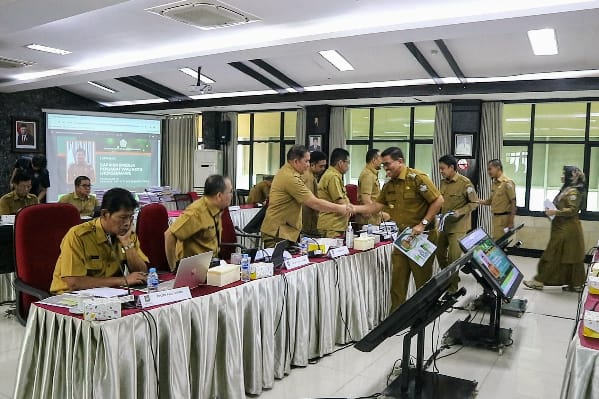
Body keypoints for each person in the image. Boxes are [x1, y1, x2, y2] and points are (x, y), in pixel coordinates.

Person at [353, 147, 443, 311]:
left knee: (422, 281)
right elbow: (374, 207)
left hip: (422, 237)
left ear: (400, 161)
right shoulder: (389, 185)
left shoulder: (417, 178)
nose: (385, 169)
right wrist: (352, 208)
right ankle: (396, 318)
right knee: (397, 280)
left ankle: (422, 315)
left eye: (388, 165)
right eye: (384, 165)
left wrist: (422, 223)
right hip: (403, 237)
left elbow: (438, 200)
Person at [50, 188, 148, 294]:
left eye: (130, 217)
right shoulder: (78, 235)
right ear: (105, 214)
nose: (127, 223)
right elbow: (74, 282)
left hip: (109, 294)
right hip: (70, 297)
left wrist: (127, 243)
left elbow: (141, 273)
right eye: (123, 217)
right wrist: (123, 280)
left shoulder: (126, 234)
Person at [260, 145, 352, 248]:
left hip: (284, 231)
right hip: (277, 233)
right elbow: (314, 202)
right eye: (306, 161)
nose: (308, 165)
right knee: (278, 263)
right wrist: (341, 208)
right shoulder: (290, 178)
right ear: (296, 161)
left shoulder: (289, 172)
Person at [523, 166, 587, 292]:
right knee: (569, 257)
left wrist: (555, 212)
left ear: (571, 176)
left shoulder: (573, 192)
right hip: (561, 227)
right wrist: (551, 211)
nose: (562, 176)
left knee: (553, 255)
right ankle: (575, 284)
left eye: (564, 174)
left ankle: (539, 281)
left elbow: (572, 210)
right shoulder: (567, 189)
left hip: (567, 230)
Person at [164, 175, 233, 271]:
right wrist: (174, 268)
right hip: (193, 269)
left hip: (212, 264)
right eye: (230, 192)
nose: (231, 195)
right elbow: (169, 235)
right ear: (219, 196)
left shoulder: (217, 209)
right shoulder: (196, 212)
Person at [436, 155, 479, 293]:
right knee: (439, 253)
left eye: (443, 169)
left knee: (454, 259)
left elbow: (474, 203)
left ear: (452, 168)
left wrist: (461, 211)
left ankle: (452, 288)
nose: (441, 171)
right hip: (444, 226)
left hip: (458, 228)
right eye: (440, 169)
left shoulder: (465, 183)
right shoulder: (443, 183)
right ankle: (449, 277)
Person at [478, 159, 516, 240]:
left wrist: (511, 221)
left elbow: (513, 202)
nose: (488, 172)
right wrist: (478, 201)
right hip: (496, 218)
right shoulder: (495, 183)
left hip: (504, 219)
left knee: (499, 244)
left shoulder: (507, 183)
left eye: (490, 169)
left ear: (498, 168)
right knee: (498, 243)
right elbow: (490, 201)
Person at [317, 148, 351, 238]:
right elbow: (339, 201)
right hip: (332, 226)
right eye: (347, 162)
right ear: (340, 163)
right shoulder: (333, 177)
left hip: (334, 225)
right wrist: (352, 209)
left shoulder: (333, 175)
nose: (348, 166)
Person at [356, 148, 390, 228]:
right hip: (368, 222)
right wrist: (380, 214)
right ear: (374, 160)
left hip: (373, 220)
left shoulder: (372, 174)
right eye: (380, 159)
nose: (382, 162)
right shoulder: (367, 175)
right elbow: (366, 200)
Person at [302, 151, 327, 236]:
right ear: (312, 165)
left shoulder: (312, 176)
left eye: (324, 166)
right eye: (321, 166)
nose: (323, 169)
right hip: (307, 224)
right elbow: (310, 202)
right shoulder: (308, 177)